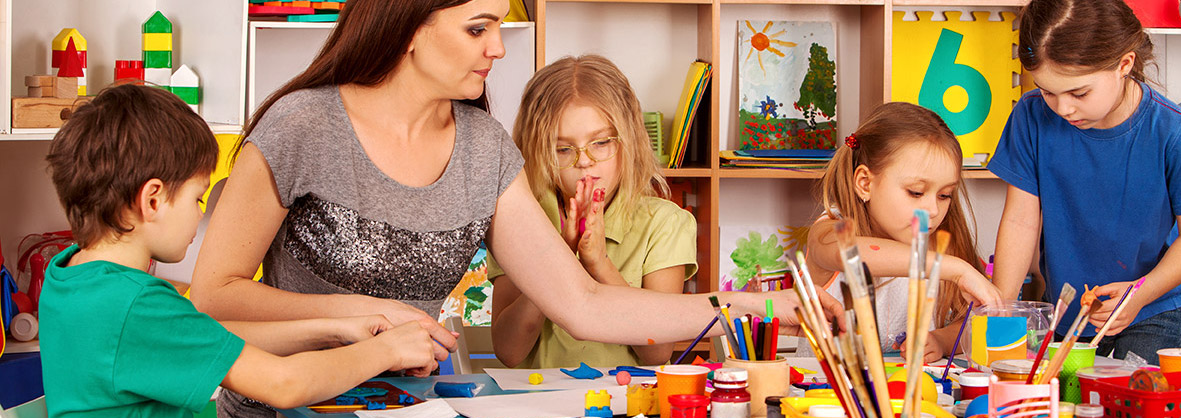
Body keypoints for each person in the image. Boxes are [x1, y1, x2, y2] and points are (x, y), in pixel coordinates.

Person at [189, 0, 813, 414]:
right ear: (411, 26)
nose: (499, 48)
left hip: (415, 408)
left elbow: (585, 304)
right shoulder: (301, 127)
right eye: (477, 28)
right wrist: (362, 314)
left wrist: (768, 305)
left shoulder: (484, 148)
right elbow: (214, 296)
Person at [38, 84, 442, 418]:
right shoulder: (135, 304)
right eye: (197, 199)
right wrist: (386, 350)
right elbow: (284, 385)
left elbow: (203, 337)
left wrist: (332, 330)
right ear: (153, 200)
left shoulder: (72, 277)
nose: (199, 217)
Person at [990, 0, 1181, 364]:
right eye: (1047, 91)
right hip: (1067, 308)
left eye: (1079, 93)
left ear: (1124, 65)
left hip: (1152, 307)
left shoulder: (1175, 131)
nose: (1063, 108)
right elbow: (1020, 220)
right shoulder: (1030, 115)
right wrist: (1001, 310)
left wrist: (1138, 295)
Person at [489, 55, 697, 368]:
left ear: (629, 140)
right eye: (563, 149)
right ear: (538, 150)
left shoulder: (665, 223)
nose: (584, 161)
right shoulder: (517, 218)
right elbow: (509, 352)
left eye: (600, 143)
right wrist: (558, 256)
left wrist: (598, 263)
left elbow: (657, 353)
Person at [806, 102, 1004, 362]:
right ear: (865, 183)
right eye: (916, 192)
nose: (933, 209)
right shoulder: (828, 231)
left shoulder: (942, 243)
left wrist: (942, 340)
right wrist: (956, 269)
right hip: (823, 396)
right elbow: (853, 254)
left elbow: (966, 322)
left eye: (945, 195)